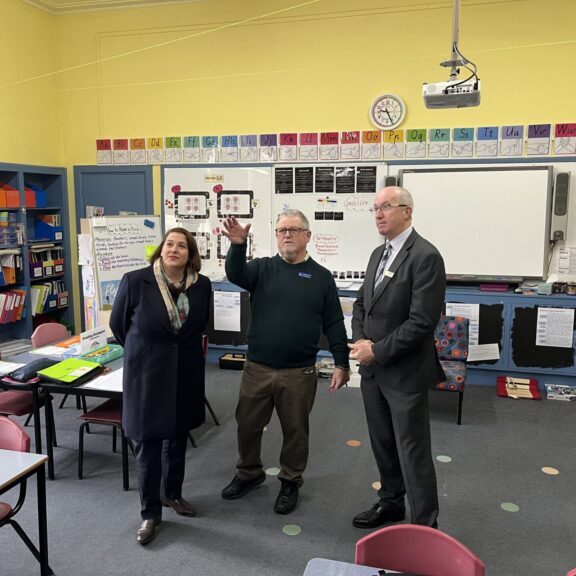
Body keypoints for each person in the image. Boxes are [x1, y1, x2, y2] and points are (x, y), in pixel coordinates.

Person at [220, 209, 350, 515]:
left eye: (293, 229)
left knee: (295, 431)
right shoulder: (262, 269)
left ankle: (290, 480)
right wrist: (238, 246)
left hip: (299, 371)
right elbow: (235, 274)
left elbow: (333, 323)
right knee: (248, 426)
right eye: (281, 230)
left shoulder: (321, 278)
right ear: (276, 236)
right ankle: (249, 473)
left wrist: (341, 363)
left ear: (307, 236)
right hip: (257, 368)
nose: (287, 234)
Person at [348, 186, 446, 529]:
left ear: (407, 211)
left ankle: (424, 526)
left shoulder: (425, 256)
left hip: (404, 373)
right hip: (374, 372)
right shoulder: (378, 254)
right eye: (374, 208)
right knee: (383, 444)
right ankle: (391, 503)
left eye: (385, 207)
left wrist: (376, 349)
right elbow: (363, 303)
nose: (378, 214)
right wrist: (360, 338)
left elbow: (422, 322)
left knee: (412, 452)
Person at [109, 227, 211, 545]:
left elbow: (200, 324)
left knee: (178, 440)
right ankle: (150, 513)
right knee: (148, 447)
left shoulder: (201, 285)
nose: (174, 249)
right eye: (169, 243)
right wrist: (147, 351)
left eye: (182, 245)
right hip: (147, 375)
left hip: (184, 374)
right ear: (161, 249)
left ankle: (173, 495)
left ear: (189, 254)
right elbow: (118, 325)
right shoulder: (136, 281)